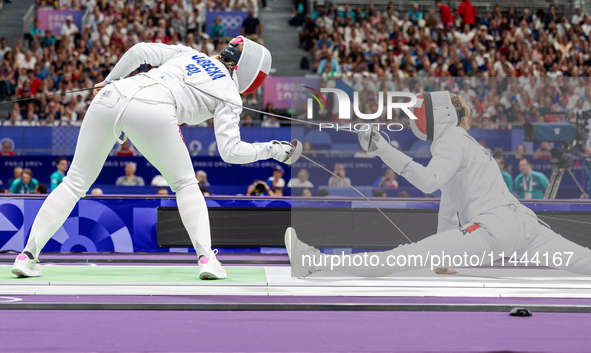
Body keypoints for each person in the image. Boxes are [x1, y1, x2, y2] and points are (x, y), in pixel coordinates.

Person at [11, 37, 298, 280]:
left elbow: (139, 51)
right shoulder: (229, 94)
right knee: (186, 185)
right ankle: (207, 261)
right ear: (250, 75)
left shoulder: (189, 52)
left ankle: (26, 257)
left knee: (74, 183)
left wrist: (109, 80)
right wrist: (272, 149)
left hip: (112, 95)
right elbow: (231, 151)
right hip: (154, 110)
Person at [285, 91, 591, 278]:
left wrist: (383, 150)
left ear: (440, 113)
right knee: (580, 260)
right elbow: (449, 198)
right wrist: (445, 253)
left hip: (491, 230)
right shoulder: (467, 143)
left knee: (403, 257)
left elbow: (429, 182)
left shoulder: (450, 141)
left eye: (421, 113)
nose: (417, 118)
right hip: (525, 227)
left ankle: (314, 261)